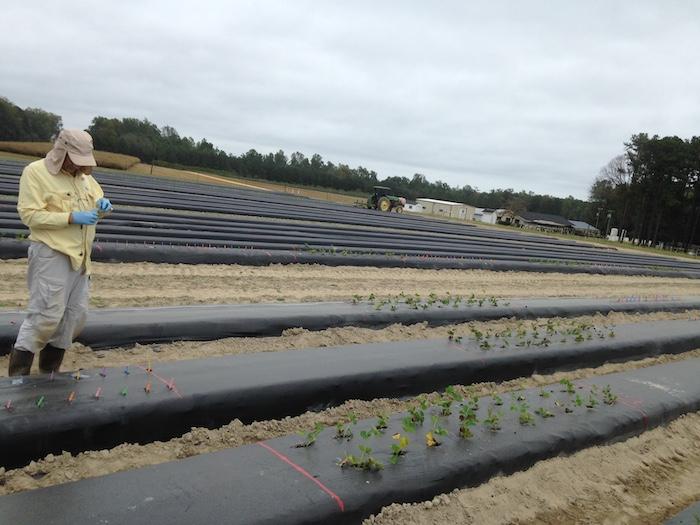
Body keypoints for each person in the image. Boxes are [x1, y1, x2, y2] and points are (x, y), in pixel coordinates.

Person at [8, 129, 112, 376]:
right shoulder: (36, 172)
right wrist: (70, 217)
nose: (80, 166)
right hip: (52, 253)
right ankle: (17, 378)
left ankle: (49, 374)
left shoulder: (85, 179)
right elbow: (29, 215)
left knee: (72, 318)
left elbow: (98, 202)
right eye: (76, 160)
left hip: (81, 258)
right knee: (45, 315)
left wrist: (104, 207)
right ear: (62, 151)